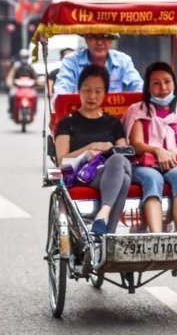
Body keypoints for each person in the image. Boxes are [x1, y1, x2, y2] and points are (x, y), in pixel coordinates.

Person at [122, 62, 177, 233]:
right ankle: (157, 236)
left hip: (173, 164)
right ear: (148, 87)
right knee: (153, 179)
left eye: (167, 81)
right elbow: (136, 144)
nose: (163, 87)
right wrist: (157, 150)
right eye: (156, 83)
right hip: (143, 165)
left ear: (174, 84)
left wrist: (173, 152)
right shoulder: (137, 111)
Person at [54, 64, 132, 236]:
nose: (92, 96)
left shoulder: (113, 123)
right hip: (81, 173)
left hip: (110, 169)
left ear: (105, 93)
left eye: (98, 91)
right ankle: (108, 234)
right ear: (79, 90)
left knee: (121, 168)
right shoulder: (67, 123)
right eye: (87, 90)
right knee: (123, 175)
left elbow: (124, 151)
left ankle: (102, 226)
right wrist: (90, 148)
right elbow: (62, 160)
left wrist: (108, 150)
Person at [53, 33, 143, 95]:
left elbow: (138, 87)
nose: (99, 42)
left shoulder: (123, 61)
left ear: (111, 40)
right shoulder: (71, 61)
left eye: (105, 36)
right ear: (86, 38)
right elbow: (61, 90)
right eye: (94, 36)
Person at [6, 49, 38, 114]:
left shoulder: (30, 66)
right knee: (11, 94)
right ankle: (11, 109)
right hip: (18, 87)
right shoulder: (16, 66)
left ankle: (34, 110)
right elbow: (10, 76)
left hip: (29, 87)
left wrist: (38, 82)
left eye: (26, 57)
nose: (24, 58)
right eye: (23, 57)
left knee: (35, 95)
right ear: (20, 57)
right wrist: (10, 82)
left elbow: (35, 76)